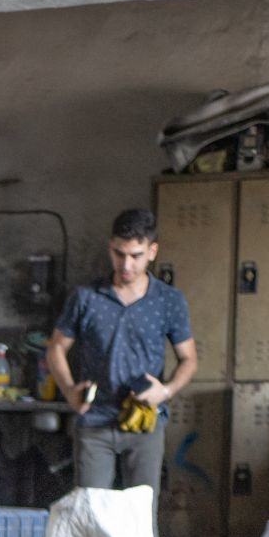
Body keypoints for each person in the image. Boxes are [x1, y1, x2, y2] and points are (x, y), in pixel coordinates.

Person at [47, 206, 199, 515]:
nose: (126, 264)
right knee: (90, 515)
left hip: (144, 423)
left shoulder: (169, 301)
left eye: (136, 255)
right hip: (95, 425)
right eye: (119, 254)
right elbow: (56, 348)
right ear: (110, 247)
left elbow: (189, 359)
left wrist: (165, 392)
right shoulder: (86, 297)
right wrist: (69, 390)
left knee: (140, 518)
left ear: (152, 252)